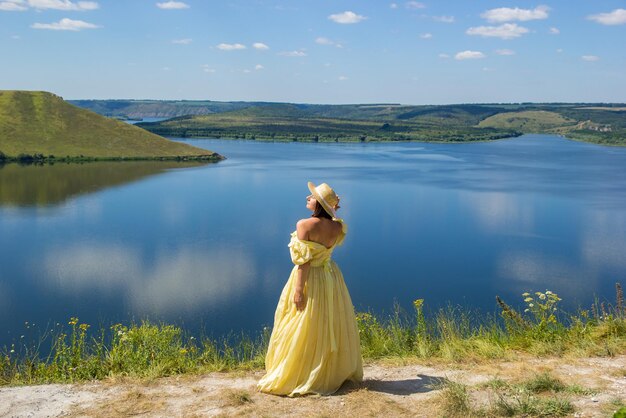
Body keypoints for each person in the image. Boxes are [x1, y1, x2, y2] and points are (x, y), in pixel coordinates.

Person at [257, 182, 363, 396]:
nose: (307, 197)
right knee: (328, 320)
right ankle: (328, 369)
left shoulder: (304, 225)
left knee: (302, 320)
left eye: (312, 196)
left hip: (310, 278)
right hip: (331, 277)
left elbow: (303, 262)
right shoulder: (338, 226)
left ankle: (301, 372)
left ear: (320, 204)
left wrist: (298, 290)